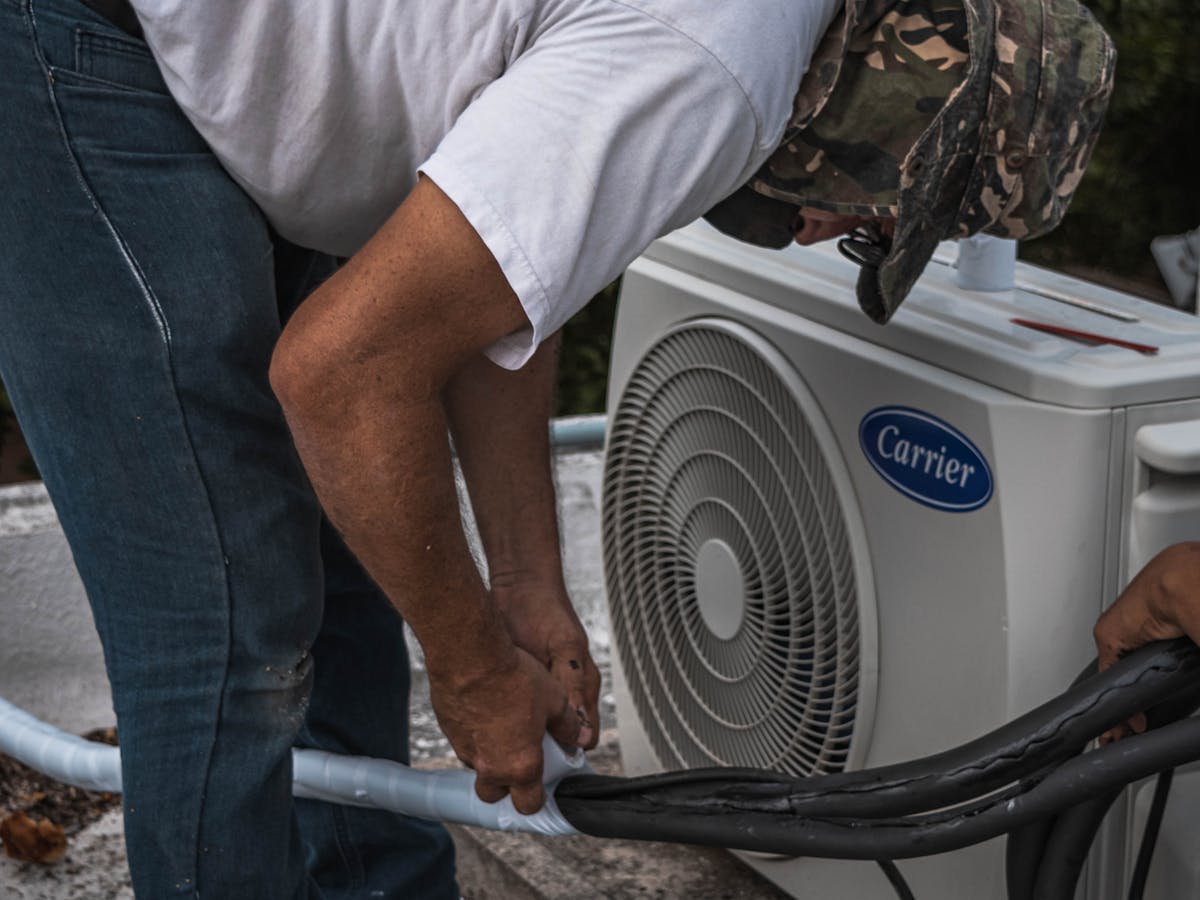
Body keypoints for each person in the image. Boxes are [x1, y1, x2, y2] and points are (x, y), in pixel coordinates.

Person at [0, 0, 1114, 898]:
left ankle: (380, 887)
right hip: (92, 39)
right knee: (230, 623)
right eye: (875, 213)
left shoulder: (738, 40)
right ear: (906, 98)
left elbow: (502, 287)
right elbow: (339, 374)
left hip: (216, 44)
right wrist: (473, 663)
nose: (826, 235)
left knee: (350, 540)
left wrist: (526, 584)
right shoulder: (715, 66)